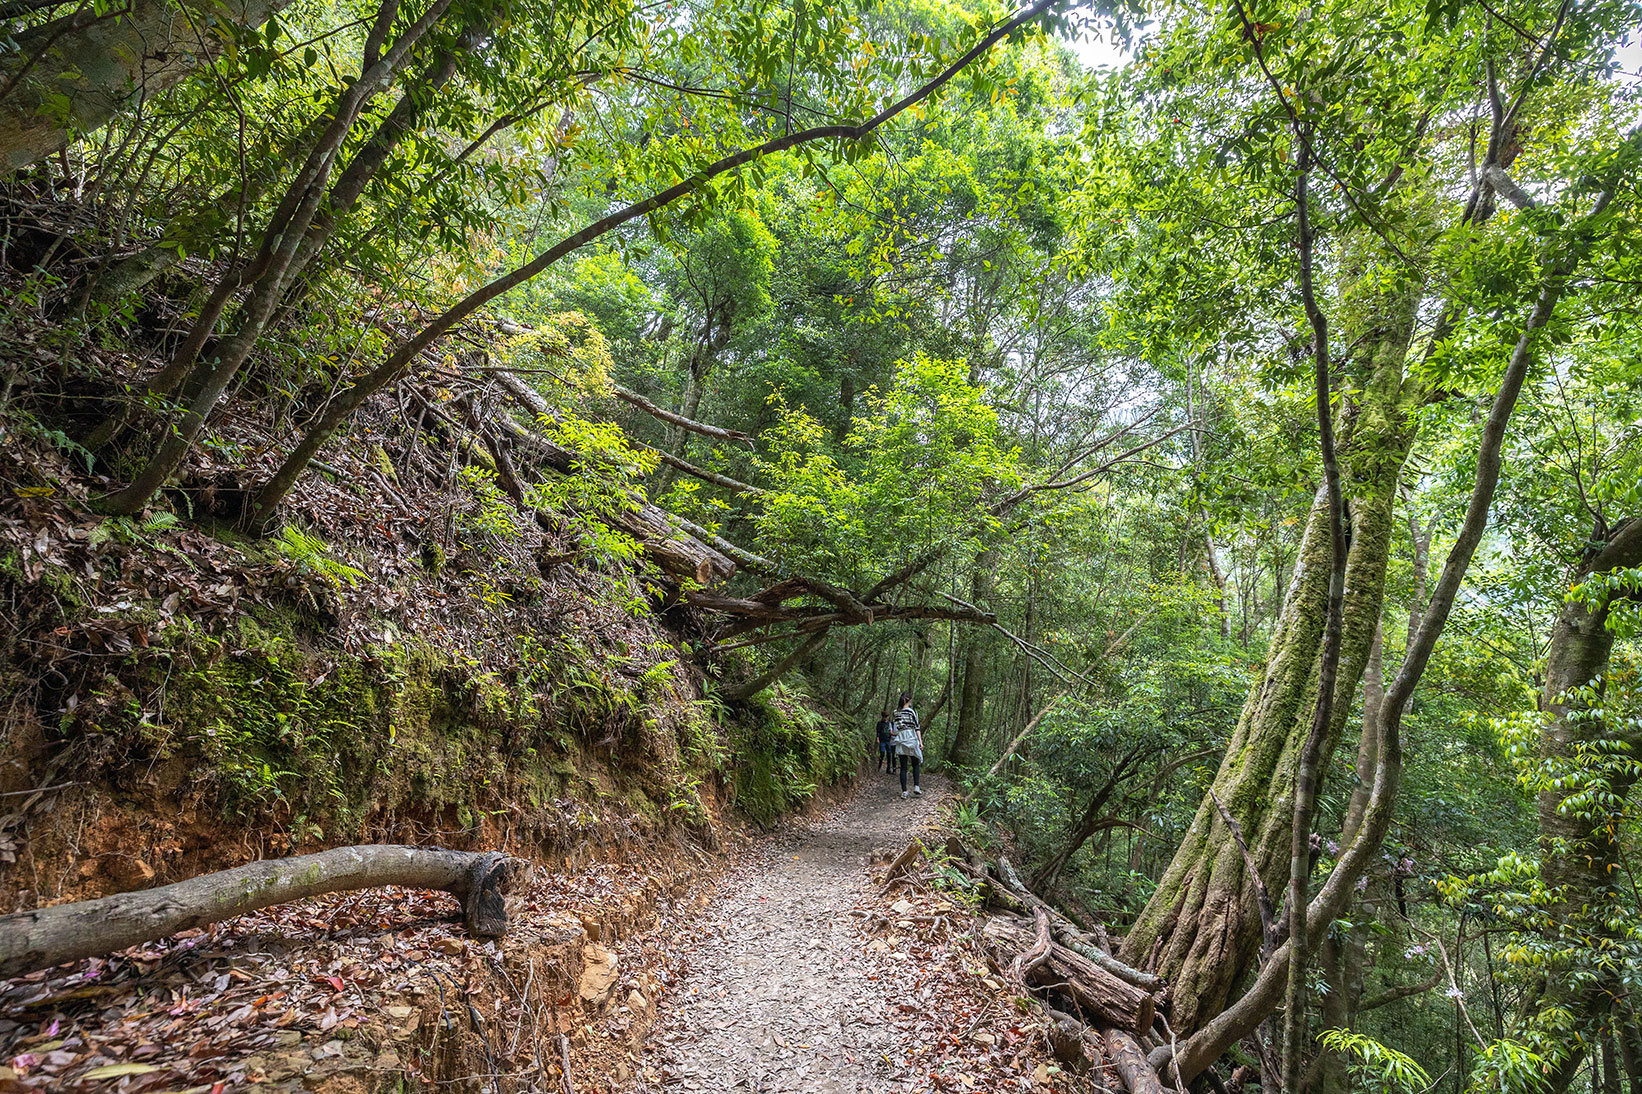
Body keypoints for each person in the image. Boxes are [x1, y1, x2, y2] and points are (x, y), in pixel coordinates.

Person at [891, 692, 923, 799]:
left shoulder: (895, 713)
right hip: (911, 737)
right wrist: (920, 742)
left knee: (903, 767)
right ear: (908, 700)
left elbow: (897, 725)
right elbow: (917, 727)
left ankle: (904, 791)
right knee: (915, 763)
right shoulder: (913, 712)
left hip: (901, 739)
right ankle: (916, 786)